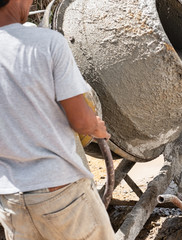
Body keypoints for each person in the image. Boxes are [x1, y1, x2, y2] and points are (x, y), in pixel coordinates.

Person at [0, 0, 115, 239]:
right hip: (61, 195)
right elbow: (81, 121)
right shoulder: (47, 43)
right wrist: (97, 127)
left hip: (11, 201)